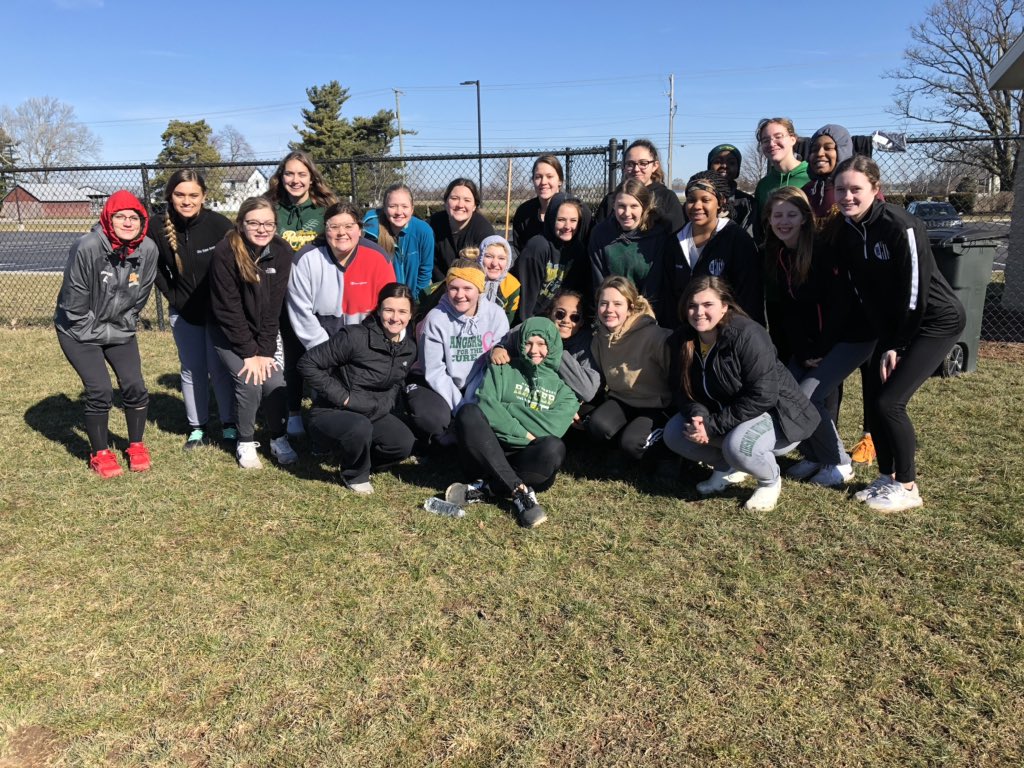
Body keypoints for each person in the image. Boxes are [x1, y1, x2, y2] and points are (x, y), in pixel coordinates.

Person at [832, 156, 965, 511]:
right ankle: (886, 476)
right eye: (841, 189)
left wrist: (899, 345)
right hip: (891, 327)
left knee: (891, 402)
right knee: (874, 397)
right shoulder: (846, 230)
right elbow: (860, 290)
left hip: (935, 321)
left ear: (876, 190)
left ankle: (907, 487)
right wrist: (883, 338)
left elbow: (915, 291)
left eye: (855, 189)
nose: (847, 196)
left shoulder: (901, 225)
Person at [664, 276, 820, 511]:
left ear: (724, 307)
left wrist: (712, 426)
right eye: (692, 305)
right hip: (730, 414)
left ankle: (769, 480)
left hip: (778, 415)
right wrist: (698, 416)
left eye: (708, 305)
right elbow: (681, 390)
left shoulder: (748, 334)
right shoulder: (681, 339)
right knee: (675, 433)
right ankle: (727, 469)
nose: (699, 312)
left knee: (737, 446)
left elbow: (764, 395)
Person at [763, 187, 875, 487]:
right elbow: (791, 312)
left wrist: (822, 349)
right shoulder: (780, 255)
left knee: (808, 397)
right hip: (814, 344)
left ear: (804, 218)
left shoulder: (822, 250)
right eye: (777, 215)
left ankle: (839, 462)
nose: (784, 221)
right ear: (769, 220)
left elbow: (839, 307)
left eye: (791, 214)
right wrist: (802, 350)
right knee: (787, 392)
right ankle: (814, 455)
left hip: (851, 338)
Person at [54, 190, 158, 477]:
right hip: (78, 329)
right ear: (108, 219)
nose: (127, 222)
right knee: (99, 390)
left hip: (119, 326)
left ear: (142, 221)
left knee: (134, 385)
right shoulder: (86, 246)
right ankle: (100, 452)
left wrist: (124, 323)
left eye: (134, 217)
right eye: (120, 216)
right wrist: (94, 333)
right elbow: (73, 301)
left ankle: (136, 445)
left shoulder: (148, 249)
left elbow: (142, 294)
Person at [446, 316, 580, 528]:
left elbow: (552, 428)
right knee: (468, 413)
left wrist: (506, 410)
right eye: (528, 342)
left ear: (552, 346)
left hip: (528, 460)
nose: (534, 350)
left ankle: (488, 488)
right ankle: (519, 492)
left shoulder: (564, 392)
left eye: (542, 344)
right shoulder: (502, 369)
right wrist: (526, 434)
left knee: (554, 446)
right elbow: (487, 406)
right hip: (487, 451)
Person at [296, 283, 417, 495]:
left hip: (372, 410)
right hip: (333, 410)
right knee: (359, 427)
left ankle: (362, 459)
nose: (395, 317)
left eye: (402, 311)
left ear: (410, 315)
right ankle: (354, 473)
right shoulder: (354, 337)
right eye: (389, 310)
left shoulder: (409, 348)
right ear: (379, 310)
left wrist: (386, 404)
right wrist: (344, 398)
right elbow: (307, 363)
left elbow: (397, 382)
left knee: (403, 443)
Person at [150, 169, 236, 449]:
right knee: (192, 369)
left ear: (204, 196)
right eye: (179, 194)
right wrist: (172, 295)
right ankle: (197, 427)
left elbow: (237, 265)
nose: (186, 201)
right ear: (170, 196)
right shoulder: (156, 227)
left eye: (193, 195)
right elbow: (154, 267)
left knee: (220, 369)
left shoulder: (219, 225)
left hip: (218, 314)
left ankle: (229, 424)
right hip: (184, 313)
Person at [209, 197, 297, 470]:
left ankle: (278, 438)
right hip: (228, 333)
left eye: (268, 223)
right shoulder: (225, 252)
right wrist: (249, 354)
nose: (262, 228)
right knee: (249, 381)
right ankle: (245, 442)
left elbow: (274, 309)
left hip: (264, 336)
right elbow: (228, 310)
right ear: (241, 224)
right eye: (254, 223)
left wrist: (264, 351)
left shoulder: (282, 252)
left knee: (274, 382)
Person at [267, 150, 338, 437]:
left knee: (324, 351)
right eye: (289, 174)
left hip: (320, 294)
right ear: (281, 177)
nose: (295, 180)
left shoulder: (325, 210)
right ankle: (294, 411)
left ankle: (327, 407)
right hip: (283, 295)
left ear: (312, 178)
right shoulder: (271, 208)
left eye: (301, 174)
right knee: (293, 353)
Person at [407, 259, 509, 446]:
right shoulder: (436, 319)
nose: (459, 295)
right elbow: (435, 370)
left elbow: (490, 364)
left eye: (467, 288)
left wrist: (470, 403)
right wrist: (461, 408)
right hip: (435, 383)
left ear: (479, 289)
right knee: (433, 420)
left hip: (477, 382)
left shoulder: (496, 315)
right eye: (453, 288)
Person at [287, 202, 396, 352]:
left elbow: (390, 307)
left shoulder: (379, 258)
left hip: (367, 349)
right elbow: (300, 313)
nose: (341, 232)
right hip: (320, 351)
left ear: (359, 229)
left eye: (349, 226)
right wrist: (328, 353)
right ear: (325, 230)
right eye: (334, 227)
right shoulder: (305, 259)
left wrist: (366, 350)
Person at [588, 275, 672, 462]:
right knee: (597, 426)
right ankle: (620, 449)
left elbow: (676, 377)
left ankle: (668, 453)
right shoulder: (599, 337)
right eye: (604, 303)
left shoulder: (655, 336)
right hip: (623, 400)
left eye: (617, 304)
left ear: (630, 308)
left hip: (656, 405)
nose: (609, 310)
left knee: (632, 444)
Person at [671, 171, 763, 327]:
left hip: (726, 335)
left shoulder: (737, 240)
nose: (697, 206)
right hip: (684, 336)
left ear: (721, 201)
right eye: (691, 200)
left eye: (705, 200)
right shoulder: (675, 241)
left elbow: (749, 299)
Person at [490, 289, 601, 404]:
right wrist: (499, 348)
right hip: (522, 393)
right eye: (560, 314)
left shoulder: (585, 342)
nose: (566, 320)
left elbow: (588, 390)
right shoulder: (532, 327)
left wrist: (554, 348)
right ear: (550, 313)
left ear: (581, 322)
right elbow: (503, 344)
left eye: (574, 317)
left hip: (559, 402)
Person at [590, 179, 675, 326]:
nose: (627, 213)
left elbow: (654, 286)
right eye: (621, 206)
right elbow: (599, 280)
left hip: (645, 315)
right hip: (612, 313)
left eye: (634, 206)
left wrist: (639, 316)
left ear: (644, 207)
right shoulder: (600, 234)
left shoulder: (658, 236)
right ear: (614, 206)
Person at [515, 193, 593, 319]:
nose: (567, 226)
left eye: (573, 220)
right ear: (551, 219)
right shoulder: (538, 247)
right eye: (561, 220)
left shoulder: (578, 250)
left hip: (556, 317)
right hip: (529, 317)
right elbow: (526, 299)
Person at [595, 139, 685, 232]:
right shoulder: (611, 199)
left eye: (643, 163)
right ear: (624, 167)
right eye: (630, 164)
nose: (636, 169)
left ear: (655, 165)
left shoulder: (667, 198)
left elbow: (676, 236)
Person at [362, 183, 434, 299]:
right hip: (383, 300)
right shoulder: (372, 235)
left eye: (404, 206)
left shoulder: (424, 231)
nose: (399, 212)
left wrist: (413, 301)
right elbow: (370, 274)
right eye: (393, 206)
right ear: (384, 209)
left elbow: (425, 271)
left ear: (412, 209)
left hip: (414, 299)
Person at [753, 118, 811, 238]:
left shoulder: (811, 175)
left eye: (778, 137)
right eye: (765, 140)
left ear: (792, 139)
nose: (771, 143)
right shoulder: (764, 185)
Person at [429, 178, 495, 282]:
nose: (460, 205)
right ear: (446, 203)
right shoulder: (432, 225)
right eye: (454, 198)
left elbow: (487, 269)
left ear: (474, 206)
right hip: (440, 286)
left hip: (472, 286)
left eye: (467, 200)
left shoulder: (483, 231)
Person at [510, 154, 564, 251]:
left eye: (549, 176)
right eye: (538, 177)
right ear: (533, 180)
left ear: (560, 180)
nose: (543, 182)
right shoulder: (524, 213)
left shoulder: (574, 210)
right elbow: (520, 250)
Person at [801, 124, 854, 218]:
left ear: (843, 151)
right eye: (814, 149)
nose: (819, 153)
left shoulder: (858, 191)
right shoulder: (805, 192)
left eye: (828, 148)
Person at [708, 143, 756, 233]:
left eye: (731, 163)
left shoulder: (747, 203)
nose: (724, 166)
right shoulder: (697, 199)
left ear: (738, 169)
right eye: (718, 162)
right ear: (709, 167)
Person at [478, 235, 520, 324]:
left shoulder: (512, 285)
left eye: (501, 258)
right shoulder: (470, 280)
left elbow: (509, 319)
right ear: (480, 257)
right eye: (489, 256)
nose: (495, 263)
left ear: (508, 261)